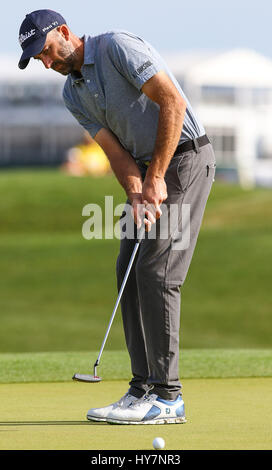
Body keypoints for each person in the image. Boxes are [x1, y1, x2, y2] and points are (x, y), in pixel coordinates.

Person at [18, 9, 216, 425]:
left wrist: (157, 177)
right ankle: (142, 388)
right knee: (127, 266)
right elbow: (116, 154)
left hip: (185, 160)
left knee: (158, 272)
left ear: (66, 33)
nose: (47, 63)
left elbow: (172, 102)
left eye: (48, 52)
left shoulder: (117, 47)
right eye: (39, 59)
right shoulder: (73, 94)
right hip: (145, 171)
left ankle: (169, 396)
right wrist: (137, 191)